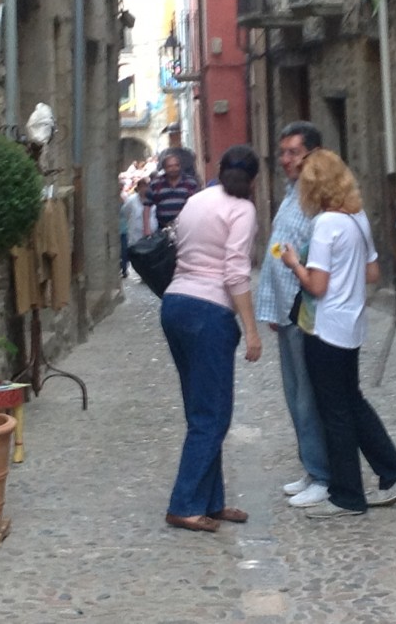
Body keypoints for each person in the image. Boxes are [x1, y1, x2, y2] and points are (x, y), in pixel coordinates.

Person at [280, 149, 396, 518]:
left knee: (334, 411)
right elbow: (372, 274)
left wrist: (295, 264)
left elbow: (317, 285)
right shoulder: (356, 218)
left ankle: (347, 495)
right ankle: (394, 472)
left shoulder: (326, 224)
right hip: (352, 323)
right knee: (352, 402)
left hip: (325, 326)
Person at [160, 145, 263, 533]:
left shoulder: (197, 200)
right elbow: (236, 271)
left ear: (219, 169)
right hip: (209, 311)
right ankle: (184, 504)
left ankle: (211, 500)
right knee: (214, 414)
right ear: (254, 179)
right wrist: (251, 329)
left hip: (175, 303)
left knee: (200, 409)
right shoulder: (243, 209)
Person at [255, 122, 331, 508]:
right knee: (294, 393)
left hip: (307, 312)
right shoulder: (291, 194)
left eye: (292, 153)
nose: (285, 159)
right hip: (286, 313)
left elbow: (312, 259)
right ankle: (311, 468)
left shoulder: (317, 200)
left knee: (309, 396)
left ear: (312, 155)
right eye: (282, 152)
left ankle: (323, 475)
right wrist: (271, 307)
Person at [143, 152, 200, 236]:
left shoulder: (190, 183)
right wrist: (146, 229)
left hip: (187, 229)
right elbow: (147, 207)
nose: (174, 168)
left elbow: (198, 205)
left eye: (176, 165)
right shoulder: (156, 184)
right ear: (164, 168)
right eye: (170, 166)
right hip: (163, 229)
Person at [120, 178, 154, 277]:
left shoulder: (154, 197)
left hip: (152, 232)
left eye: (146, 186)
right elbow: (125, 212)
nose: (144, 189)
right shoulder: (131, 200)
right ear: (138, 188)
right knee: (139, 254)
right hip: (136, 232)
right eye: (142, 187)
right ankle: (142, 272)